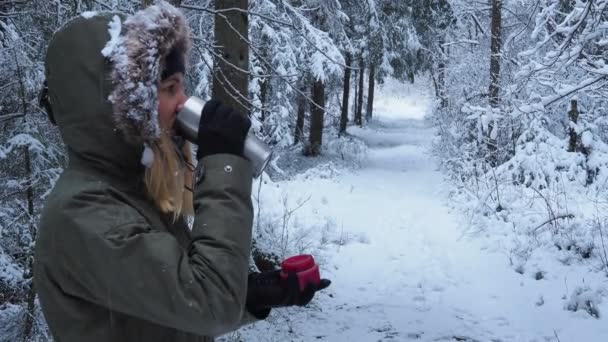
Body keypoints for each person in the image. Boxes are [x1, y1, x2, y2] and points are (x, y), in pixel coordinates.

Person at [33, 2, 330, 341]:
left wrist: (252, 294)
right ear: (121, 103)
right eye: (170, 88)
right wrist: (223, 164)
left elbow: (172, 305)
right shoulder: (81, 215)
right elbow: (208, 302)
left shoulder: (128, 192)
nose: (183, 102)